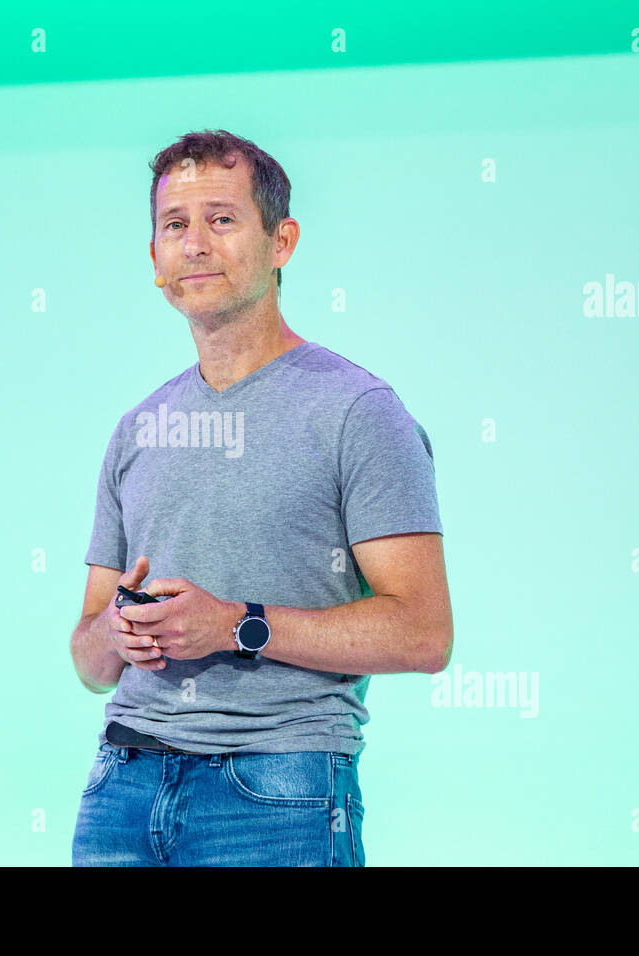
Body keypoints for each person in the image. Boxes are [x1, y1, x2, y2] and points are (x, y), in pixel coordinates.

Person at [69, 129, 453, 866]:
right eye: (174, 225)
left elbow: (425, 634)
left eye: (221, 218)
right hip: (123, 789)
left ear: (282, 241)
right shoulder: (137, 430)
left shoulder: (358, 411)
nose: (194, 243)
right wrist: (116, 632)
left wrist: (235, 625)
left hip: (279, 791)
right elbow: (88, 661)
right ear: (154, 259)